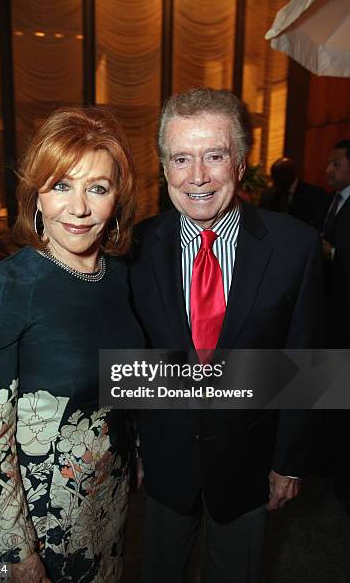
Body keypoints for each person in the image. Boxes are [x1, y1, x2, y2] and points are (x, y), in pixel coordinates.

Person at [129, 88, 323, 583]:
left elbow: (307, 359)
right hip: (164, 461)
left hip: (250, 465)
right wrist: (135, 445)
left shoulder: (295, 247)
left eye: (214, 156)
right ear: (164, 168)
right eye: (181, 158)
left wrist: (290, 462)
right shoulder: (135, 248)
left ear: (239, 164)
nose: (197, 176)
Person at [0, 107, 144, 583]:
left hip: (111, 500)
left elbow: (123, 387)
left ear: (117, 199)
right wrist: (16, 552)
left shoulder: (118, 277)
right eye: (62, 185)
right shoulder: (8, 286)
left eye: (97, 188)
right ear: (36, 196)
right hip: (45, 522)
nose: (79, 208)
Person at [320, 139, 350, 513]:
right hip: (330, 318)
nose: (329, 169)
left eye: (337, 163)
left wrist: (329, 251)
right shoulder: (334, 201)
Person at [260, 156, 328, 229]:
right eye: (274, 178)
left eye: (279, 177)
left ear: (291, 174)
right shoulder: (268, 194)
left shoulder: (315, 195)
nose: (275, 182)